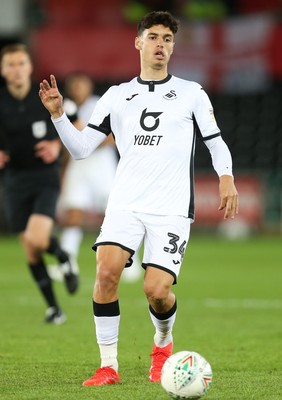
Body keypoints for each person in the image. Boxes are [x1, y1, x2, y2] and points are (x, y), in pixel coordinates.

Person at [39, 10, 239, 385]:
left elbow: (215, 141)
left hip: (172, 208)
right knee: (105, 273)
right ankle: (108, 366)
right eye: (153, 37)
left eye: (166, 38)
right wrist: (58, 117)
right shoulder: (117, 96)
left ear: (173, 46)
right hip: (125, 203)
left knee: (156, 291)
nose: (160, 44)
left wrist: (225, 177)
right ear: (138, 42)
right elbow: (82, 149)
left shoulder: (191, 93)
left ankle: (162, 344)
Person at [0, 43, 79, 325]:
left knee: (36, 238)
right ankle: (54, 308)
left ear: (30, 67)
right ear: (3, 69)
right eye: (10, 64)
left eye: (21, 63)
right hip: (14, 180)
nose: (16, 69)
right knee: (31, 250)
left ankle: (63, 257)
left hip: (45, 178)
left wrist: (57, 145)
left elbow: (77, 124)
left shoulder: (44, 95)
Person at [49, 72, 142, 283]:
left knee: (115, 215)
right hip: (78, 166)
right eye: (75, 84)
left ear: (89, 86)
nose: (78, 88)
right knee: (73, 214)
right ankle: (67, 262)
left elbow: (114, 137)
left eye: (82, 83)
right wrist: (64, 171)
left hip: (102, 166)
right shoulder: (66, 108)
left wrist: (87, 142)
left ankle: (131, 261)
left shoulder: (100, 105)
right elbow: (66, 146)